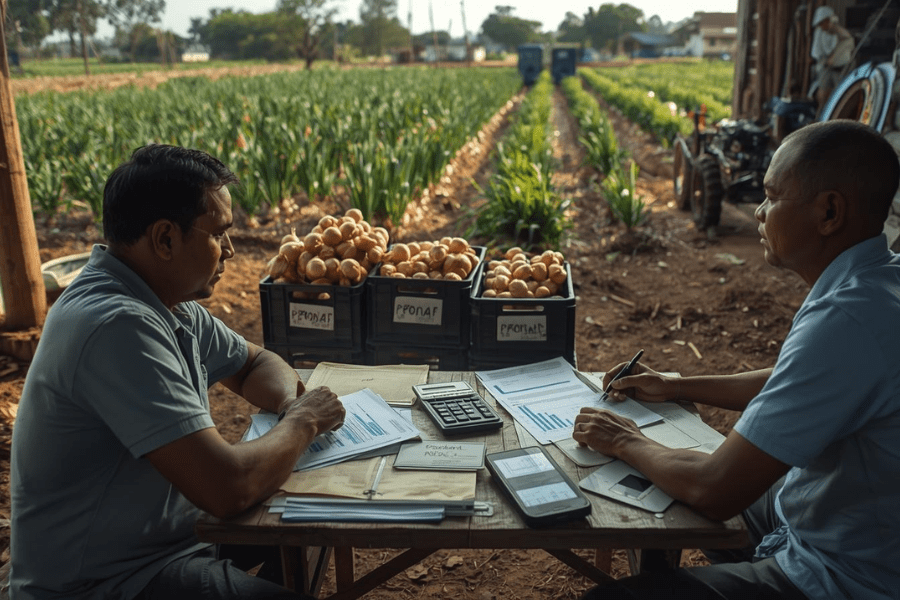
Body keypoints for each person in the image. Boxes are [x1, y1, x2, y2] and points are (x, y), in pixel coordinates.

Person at [573, 119, 900, 599]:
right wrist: (677, 385)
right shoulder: (880, 282)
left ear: (829, 211)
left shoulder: (847, 320)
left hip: (846, 574)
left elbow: (716, 488)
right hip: (841, 513)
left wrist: (627, 441)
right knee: (678, 475)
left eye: (771, 197)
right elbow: (796, 379)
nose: (759, 214)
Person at [10, 144, 347, 600]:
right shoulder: (116, 326)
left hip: (166, 540)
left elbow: (256, 364)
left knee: (311, 526)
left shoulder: (166, 300)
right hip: (106, 582)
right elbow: (229, 487)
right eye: (219, 234)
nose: (229, 250)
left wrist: (291, 403)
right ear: (165, 239)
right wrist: (303, 422)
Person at [809, 5, 855, 112]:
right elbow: (818, 53)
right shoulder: (820, 33)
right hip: (825, 67)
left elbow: (848, 41)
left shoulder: (839, 33)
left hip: (839, 69)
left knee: (839, 93)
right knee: (822, 94)